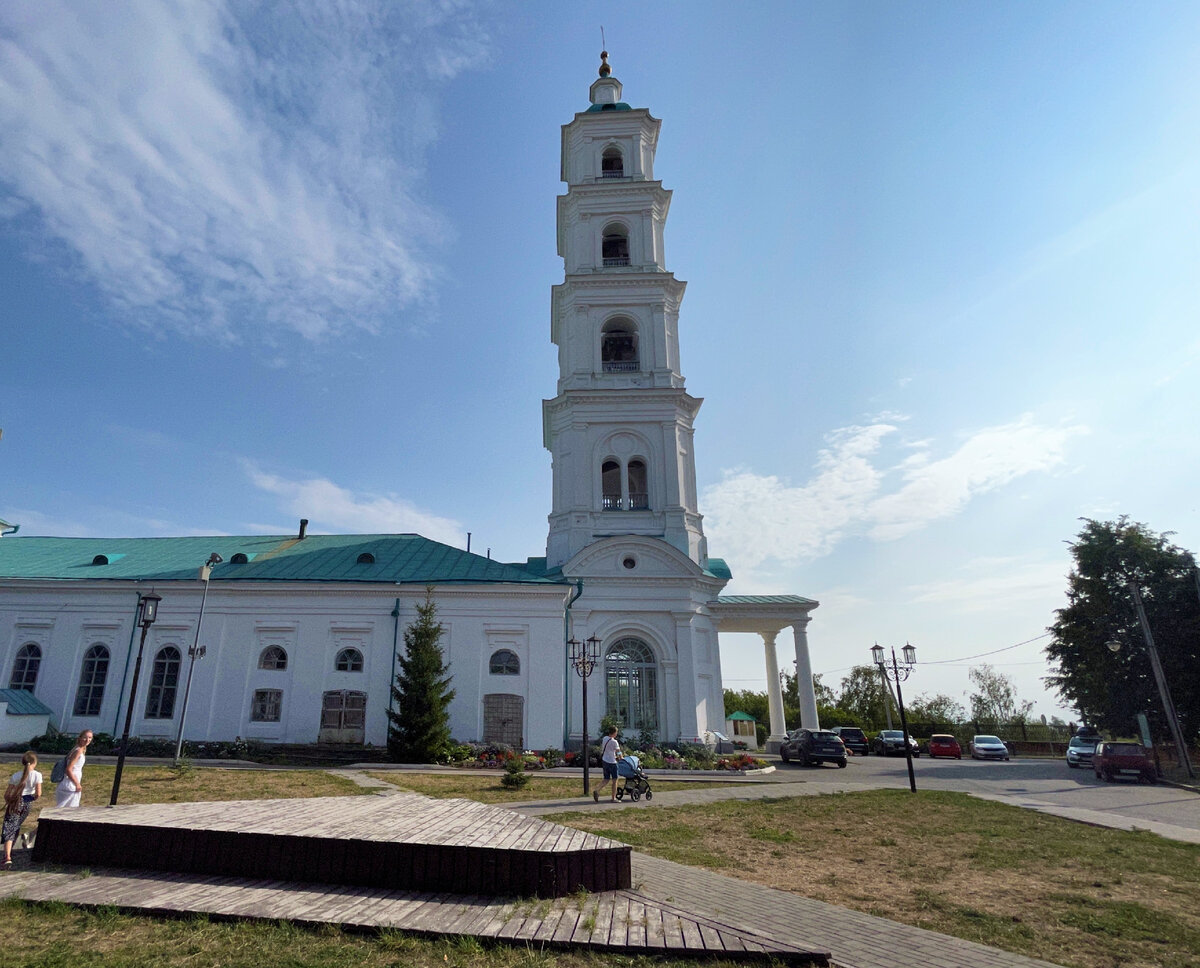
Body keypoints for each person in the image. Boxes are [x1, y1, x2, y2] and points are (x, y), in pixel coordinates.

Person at [2, 751, 42, 868]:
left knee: (9, 827)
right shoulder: (37, 775)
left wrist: (10, 801)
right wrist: (31, 799)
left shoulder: (16, 775)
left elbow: (7, 794)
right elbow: (38, 793)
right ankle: (10, 852)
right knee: (16, 826)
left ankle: (7, 857)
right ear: (34, 763)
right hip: (27, 803)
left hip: (15, 803)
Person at [54, 730, 93, 809]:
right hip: (70, 786)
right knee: (68, 811)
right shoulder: (78, 751)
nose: (87, 740)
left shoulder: (78, 749)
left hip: (68, 784)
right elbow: (68, 769)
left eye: (90, 738)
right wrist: (77, 784)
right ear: (80, 738)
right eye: (85, 737)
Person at [594, 725, 622, 803]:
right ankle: (613, 798)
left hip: (605, 760)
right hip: (612, 762)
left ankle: (597, 789)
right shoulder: (614, 742)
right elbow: (618, 751)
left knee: (606, 779)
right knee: (615, 780)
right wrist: (621, 758)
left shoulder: (605, 738)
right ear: (614, 733)